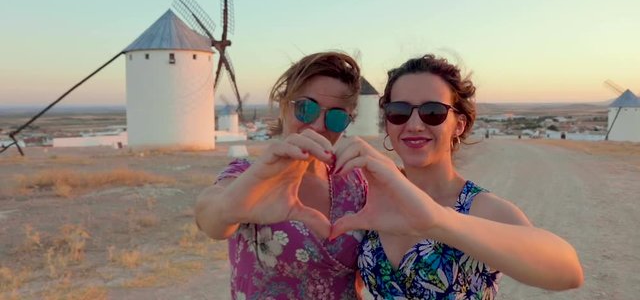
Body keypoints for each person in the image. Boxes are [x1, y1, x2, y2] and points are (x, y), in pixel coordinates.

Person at [330, 54, 583, 299]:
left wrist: (439, 221)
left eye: (432, 112)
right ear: (387, 123)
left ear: (459, 125)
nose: (415, 124)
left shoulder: (480, 207)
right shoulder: (373, 192)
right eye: (399, 111)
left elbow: (568, 273)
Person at [195, 51, 367, 299]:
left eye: (336, 117)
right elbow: (209, 216)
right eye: (306, 108)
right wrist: (232, 206)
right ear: (284, 105)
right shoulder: (250, 175)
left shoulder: (353, 181)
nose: (318, 126)